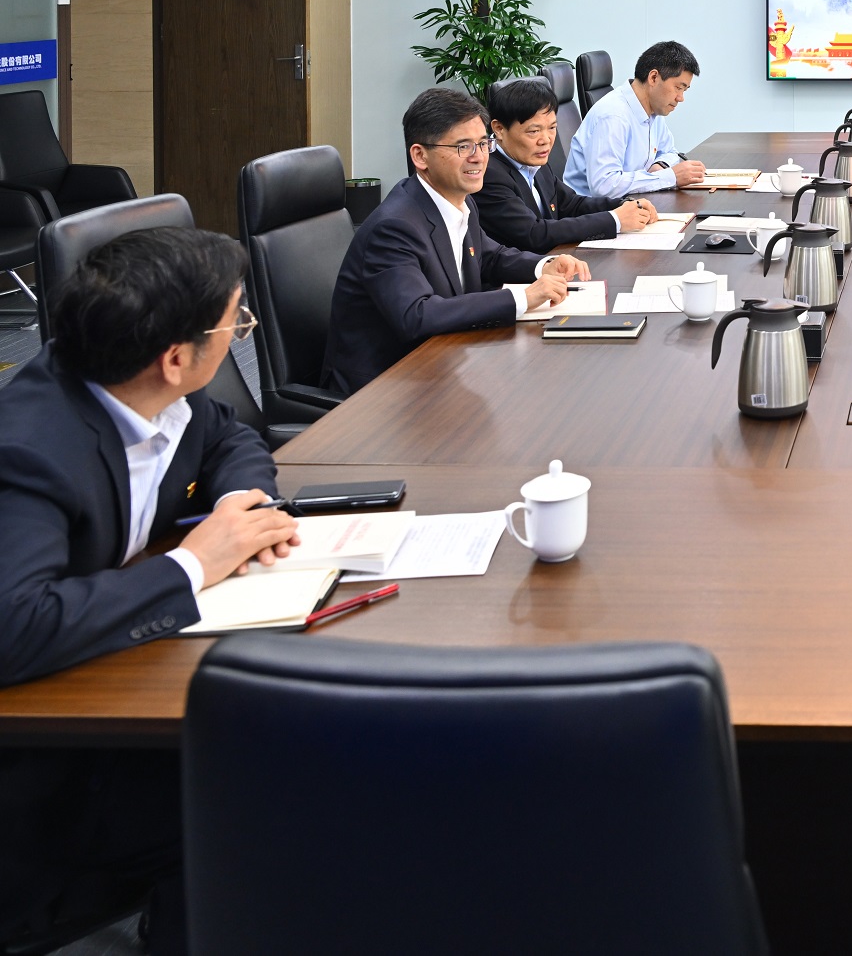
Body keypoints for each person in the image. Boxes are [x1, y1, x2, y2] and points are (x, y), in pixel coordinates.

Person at [0, 227, 303, 956]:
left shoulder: (146, 387)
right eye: (235, 323)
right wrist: (193, 565)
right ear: (175, 357)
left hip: (113, 683)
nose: (241, 333)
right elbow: (14, 627)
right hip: (43, 775)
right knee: (275, 793)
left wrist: (240, 505)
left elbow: (231, 436)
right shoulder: (30, 448)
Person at [322, 88, 589, 397]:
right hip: (383, 389)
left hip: (445, 363)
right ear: (420, 156)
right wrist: (523, 298)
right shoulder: (394, 227)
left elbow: (489, 256)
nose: (479, 156)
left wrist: (544, 265)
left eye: (483, 143)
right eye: (463, 146)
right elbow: (417, 315)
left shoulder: (459, 199)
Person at [475, 76, 659, 253]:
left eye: (552, 128)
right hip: (524, 270)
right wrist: (615, 220)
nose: (546, 140)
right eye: (534, 131)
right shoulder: (488, 173)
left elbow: (570, 204)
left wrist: (624, 205)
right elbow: (534, 233)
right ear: (499, 129)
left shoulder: (533, 158)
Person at [564, 40, 706, 199]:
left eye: (684, 90)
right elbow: (604, 186)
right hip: (593, 210)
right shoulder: (613, 116)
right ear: (653, 78)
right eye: (678, 88)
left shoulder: (654, 108)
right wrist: (668, 177)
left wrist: (660, 166)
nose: (680, 98)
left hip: (631, 202)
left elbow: (670, 151)